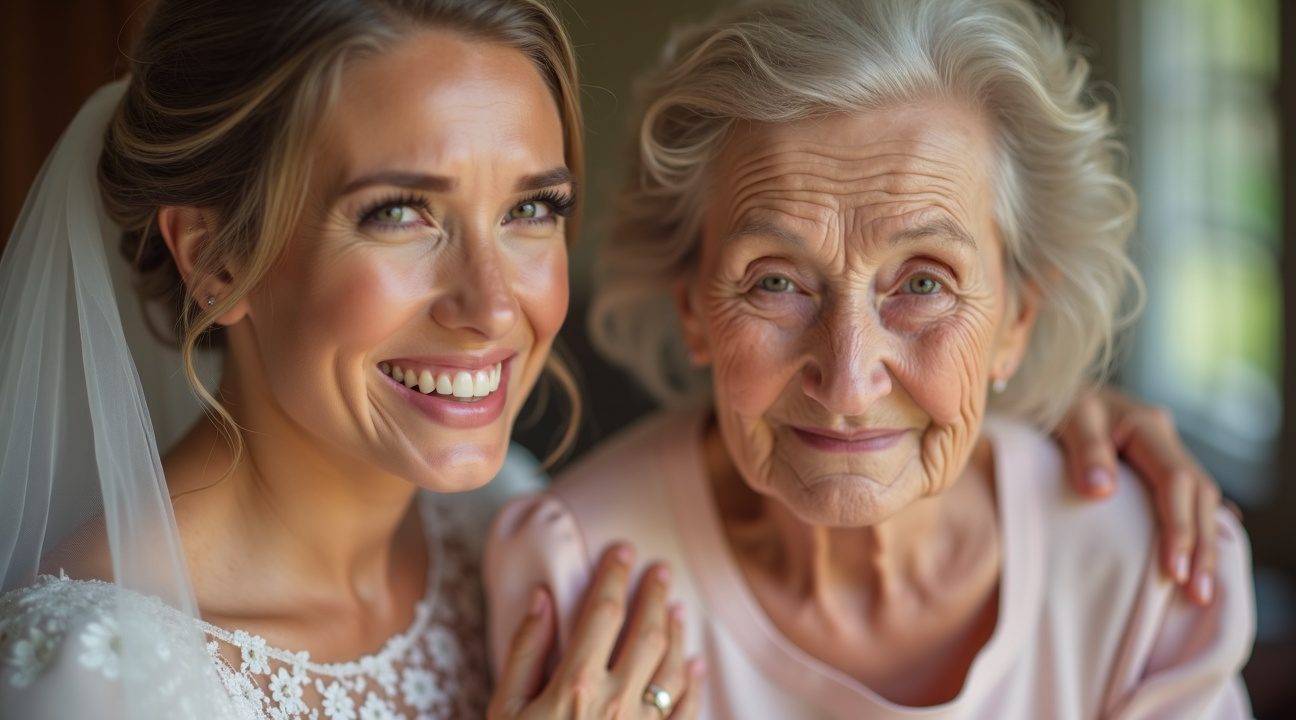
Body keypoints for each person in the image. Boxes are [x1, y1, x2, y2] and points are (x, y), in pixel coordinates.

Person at [485, 0, 1255, 717]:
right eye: (776, 282)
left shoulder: (1146, 571)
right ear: (692, 306)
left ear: (1017, 318)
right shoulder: (571, 571)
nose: (848, 380)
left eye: (924, 283)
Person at [0, 1, 704, 718]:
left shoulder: (500, 527)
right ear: (215, 257)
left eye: (531, 211)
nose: (493, 307)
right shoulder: (97, 679)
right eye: (399, 213)